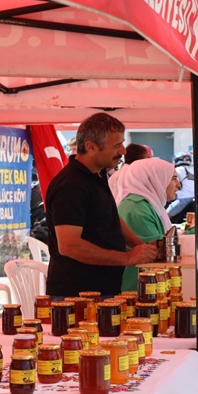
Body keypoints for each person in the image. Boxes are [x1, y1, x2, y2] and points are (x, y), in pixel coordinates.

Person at [44, 113, 158, 300]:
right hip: (77, 297)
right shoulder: (71, 185)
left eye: (122, 143)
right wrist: (127, 257)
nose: (123, 151)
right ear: (91, 146)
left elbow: (111, 217)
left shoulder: (97, 174)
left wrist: (141, 247)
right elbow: (69, 245)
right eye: (116, 146)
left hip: (102, 290)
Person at [118, 158, 180, 291]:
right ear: (155, 179)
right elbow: (157, 250)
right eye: (173, 178)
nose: (179, 185)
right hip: (138, 289)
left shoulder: (147, 204)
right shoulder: (136, 208)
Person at [166, 152, 194, 220]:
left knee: (165, 216)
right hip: (195, 197)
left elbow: (170, 183)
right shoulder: (194, 169)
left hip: (184, 198)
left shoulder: (178, 170)